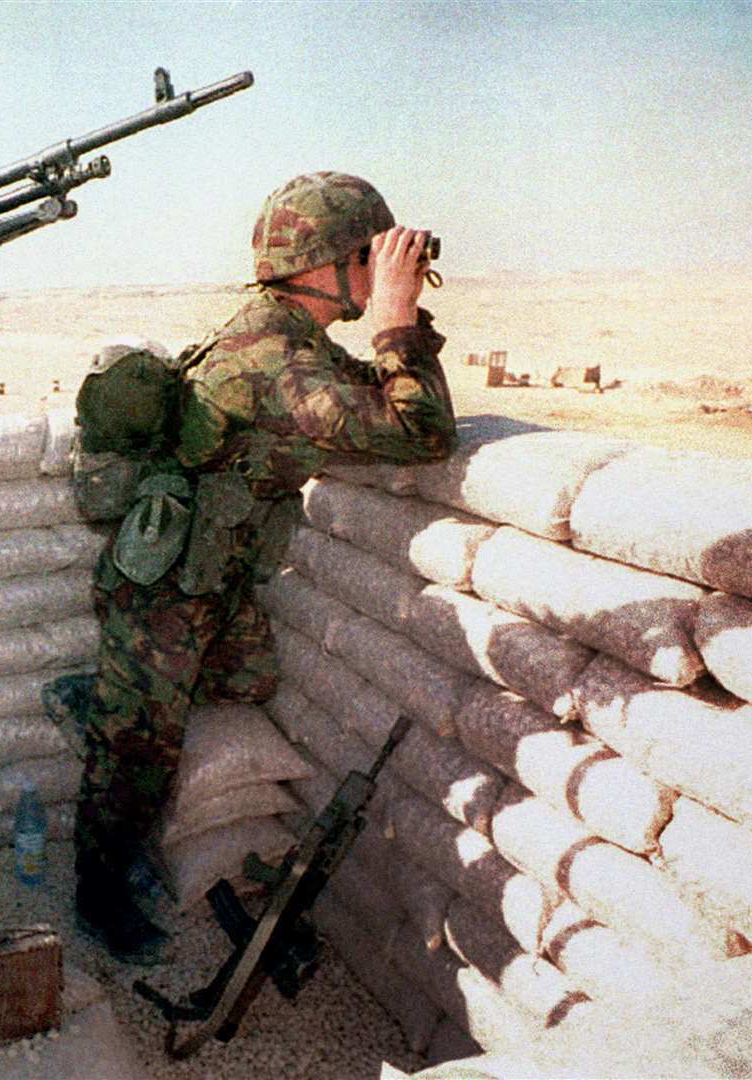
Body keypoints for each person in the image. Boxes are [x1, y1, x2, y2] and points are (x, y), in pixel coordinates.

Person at [51, 171, 457, 963]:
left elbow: (368, 407)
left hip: (209, 574)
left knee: (246, 683)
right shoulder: (274, 360)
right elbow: (418, 431)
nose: (384, 269)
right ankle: (97, 894)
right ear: (326, 264)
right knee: (140, 749)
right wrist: (396, 321)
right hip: (163, 588)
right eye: (372, 255)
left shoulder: (285, 341)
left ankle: (114, 702)